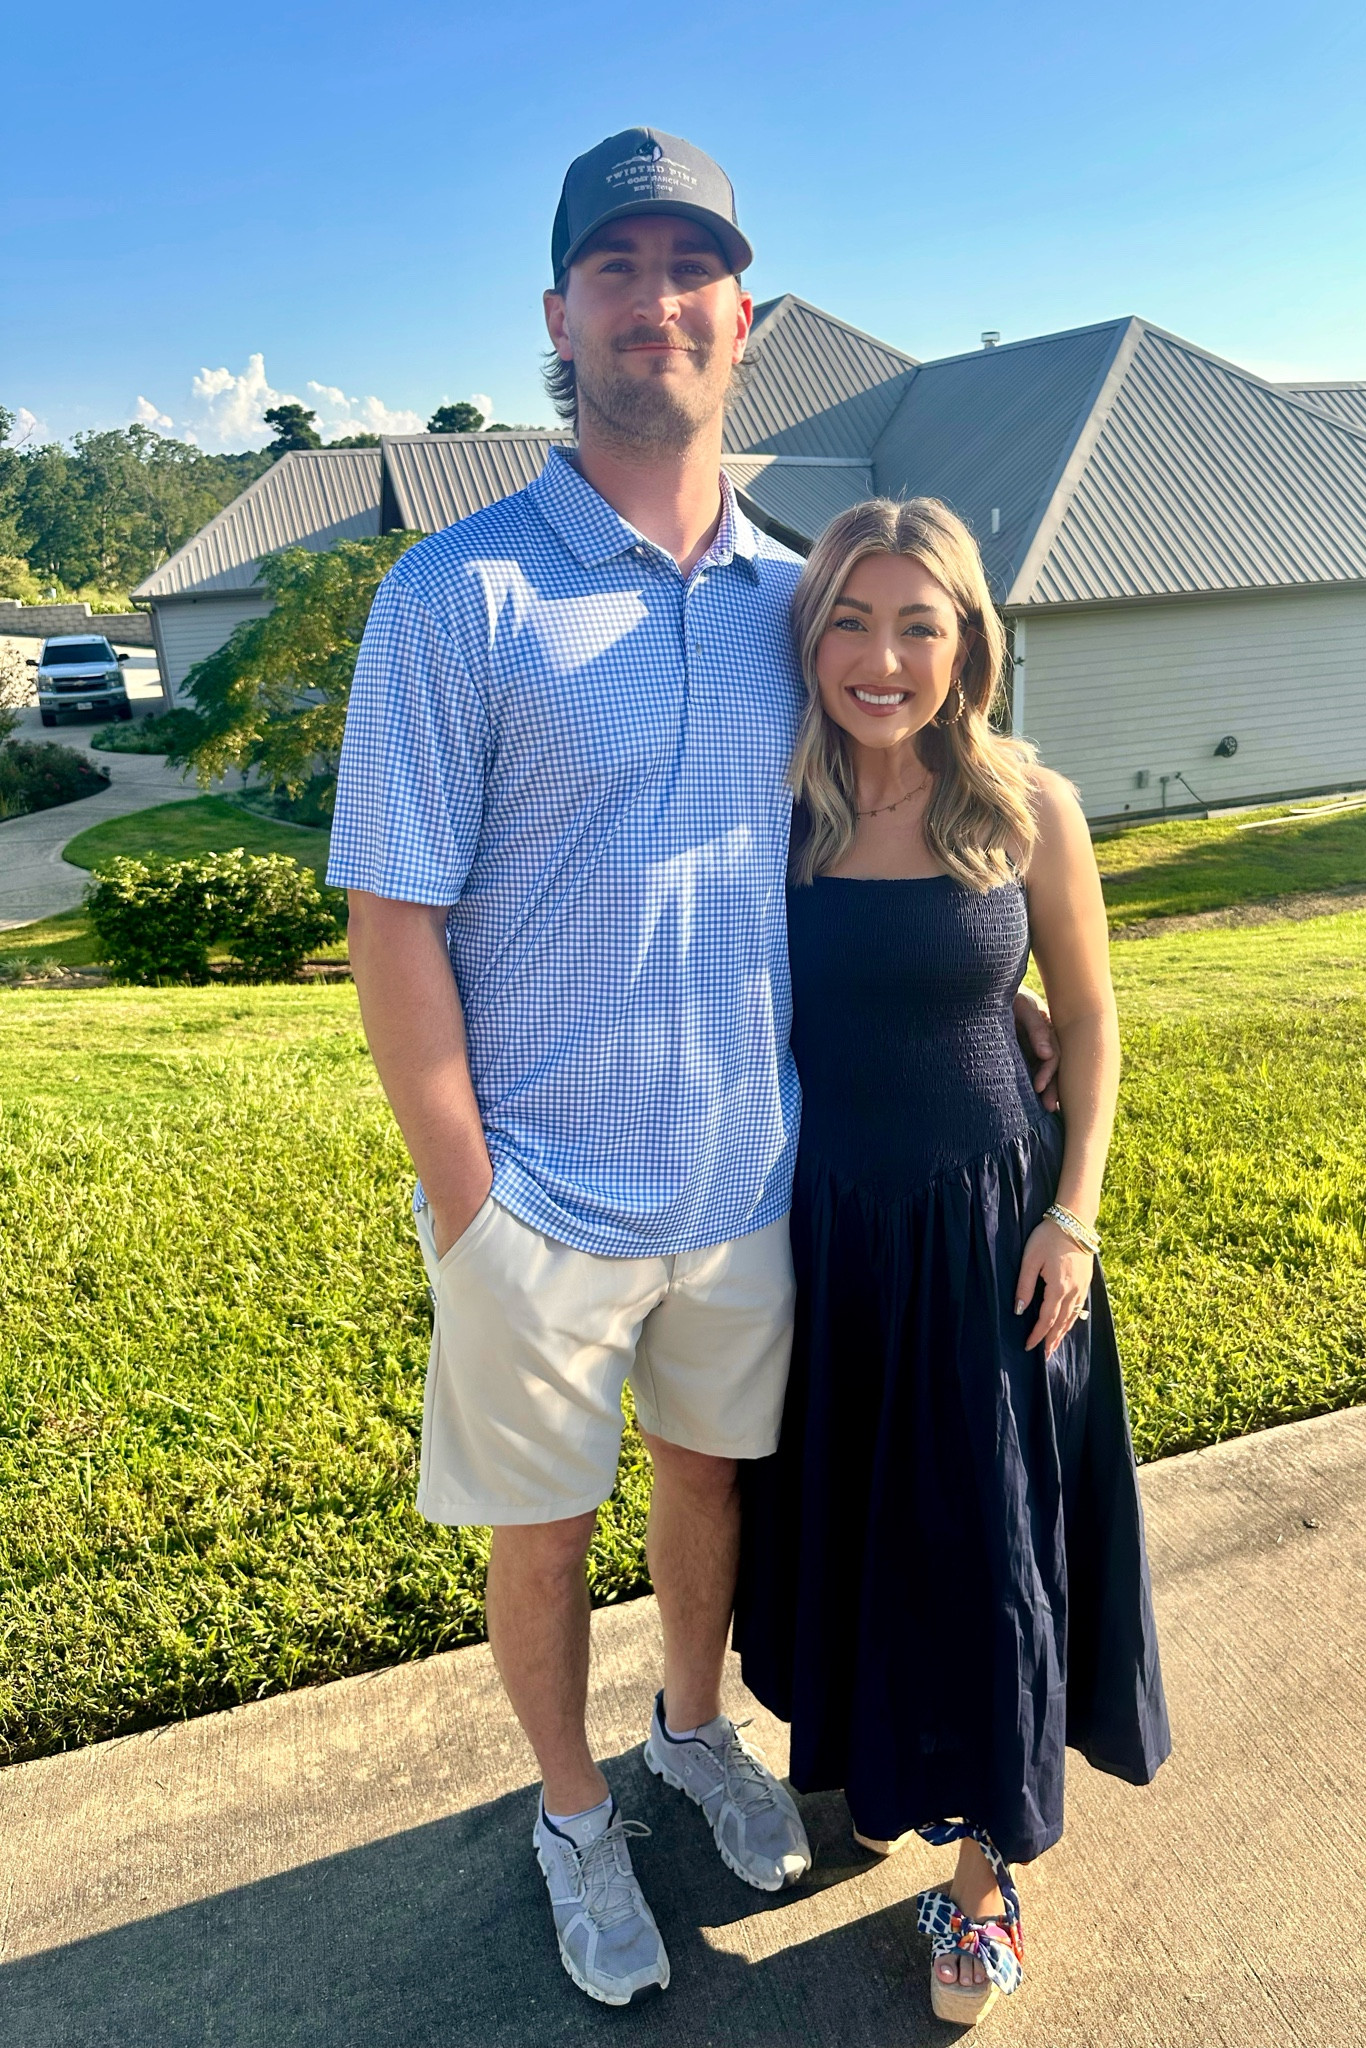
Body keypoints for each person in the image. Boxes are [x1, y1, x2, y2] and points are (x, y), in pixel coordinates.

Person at [326, 128, 823, 2009]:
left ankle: (691, 1732)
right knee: (540, 1540)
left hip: (744, 1175)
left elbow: (867, 846)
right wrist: (471, 1206)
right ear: (558, 313)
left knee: (711, 1489)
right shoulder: (458, 595)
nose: (656, 301)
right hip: (536, 1194)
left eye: (692, 268)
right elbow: (391, 920)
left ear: (744, 317)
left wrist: (1005, 993)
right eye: (617, 266)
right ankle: (569, 1811)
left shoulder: (800, 600)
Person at [733, 497, 1172, 2026]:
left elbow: (1092, 1021)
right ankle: (881, 1763)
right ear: (811, 641)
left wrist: (1077, 1214)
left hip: (994, 1236)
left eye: (918, 624)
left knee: (985, 1546)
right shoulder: (777, 811)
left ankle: (986, 1878)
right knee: (860, 1522)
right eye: (850, 621)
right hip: (830, 1233)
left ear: (967, 644)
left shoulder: (1027, 805)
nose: (883, 657)